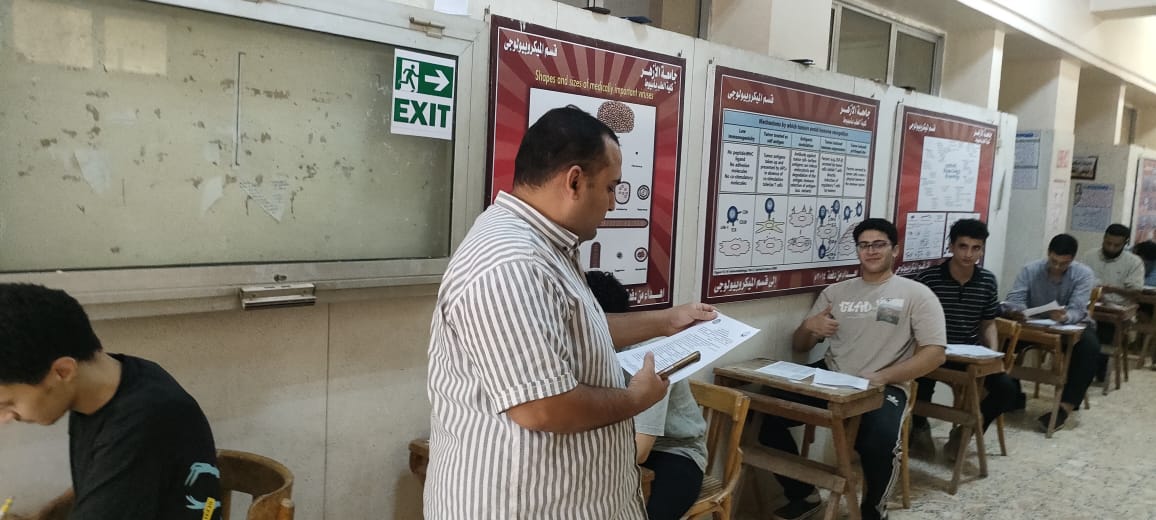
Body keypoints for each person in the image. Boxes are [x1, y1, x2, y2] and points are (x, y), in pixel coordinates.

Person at [424, 106, 716, 519]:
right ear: (574, 181)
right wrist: (636, 398)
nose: (613, 203)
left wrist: (665, 321)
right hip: (520, 507)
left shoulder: (547, 246)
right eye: (611, 187)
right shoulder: (513, 262)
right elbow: (544, 407)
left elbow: (573, 330)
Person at [758, 218, 947, 520]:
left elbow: (935, 354)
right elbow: (801, 345)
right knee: (763, 413)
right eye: (864, 245)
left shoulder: (917, 294)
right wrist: (810, 326)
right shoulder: (837, 292)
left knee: (879, 441)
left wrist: (883, 376)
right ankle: (804, 494)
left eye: (879, 244)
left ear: (894, 249)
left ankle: (874, 511)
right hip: (832, 376)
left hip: (884, 386)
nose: (871, 251)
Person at [0, 283, 222, 520]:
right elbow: (108, 475)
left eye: (7, 403)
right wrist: (47, 513)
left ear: (63, 371)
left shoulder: (144, 421)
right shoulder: (108, 384)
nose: (4, 418)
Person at [586, 270, 708, 520]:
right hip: (621, 445)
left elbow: (640, 450)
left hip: (674, 452)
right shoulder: (591, 352)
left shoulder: (650, 357)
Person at [908, 219, 1018, 461]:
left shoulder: (987, 280)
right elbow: (913, 323)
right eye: (963, 246)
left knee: (1008, 390)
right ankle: (920, 427)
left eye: (976, 248)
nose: (968, 254)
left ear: (982, 250)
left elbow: (988, 323)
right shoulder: (929, 279)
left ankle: (966, 432)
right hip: (933, 351)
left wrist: (993, 355)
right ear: (951, 247)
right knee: (919, 378)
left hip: (969, 355)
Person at [1003, 234, 1100, 432]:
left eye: (1063, 264)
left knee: (1090, 348)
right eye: (1053, 261)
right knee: (1004, 339)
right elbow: (1015, 298)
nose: (1057, 267)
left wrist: (1065, 316)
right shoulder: (1030, 269)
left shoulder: (1083, 274)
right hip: (1033, 324)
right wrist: (1018, 311)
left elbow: (1079, 309)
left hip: (1070, 326)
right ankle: (1012, 394)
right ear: (1048, 253)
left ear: (1072, 259)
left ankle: (1064, 407)